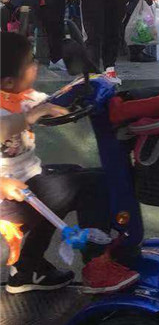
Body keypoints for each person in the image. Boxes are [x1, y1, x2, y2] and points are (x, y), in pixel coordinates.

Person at [1, 31, 140, 292]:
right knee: (92, 185)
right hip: (8, 194)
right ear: (8, 81)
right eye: (30, 62)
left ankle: (27, 267)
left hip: (27, 177)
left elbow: (53, 102)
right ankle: (96, 266)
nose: (36, 65)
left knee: (74, 175)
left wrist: (84, 87)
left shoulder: (18, 96)